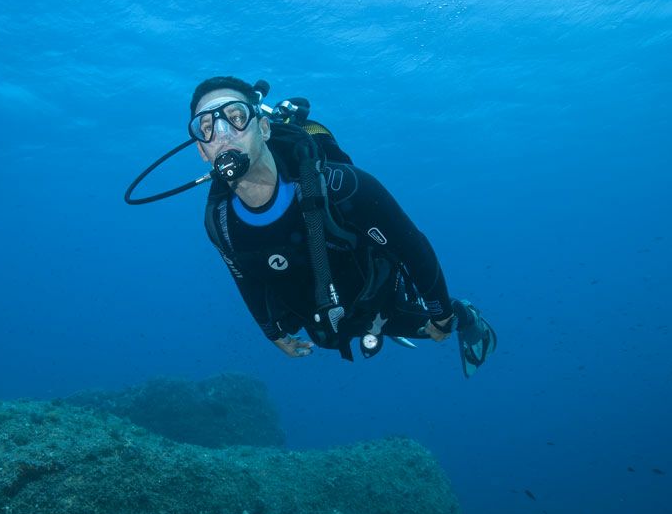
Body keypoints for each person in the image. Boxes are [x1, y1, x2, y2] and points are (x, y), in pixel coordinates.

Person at [190, 76, 496, 375]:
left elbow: (412, 247)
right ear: (203, 151)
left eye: (236, 117)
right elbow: (246, 280)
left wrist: (442, 313)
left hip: (380, 302)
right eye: (206, 127)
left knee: (434, 326)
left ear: (265, 128)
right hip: (320, 319)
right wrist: (273, 333)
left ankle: (468, 317)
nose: (223, 133)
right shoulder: (220, 222)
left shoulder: (345, 186)